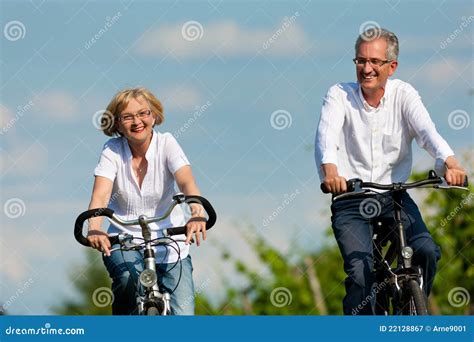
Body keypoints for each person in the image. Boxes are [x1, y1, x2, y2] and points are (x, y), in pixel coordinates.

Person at [315, 28, 466, 315]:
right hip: (350, 198)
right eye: (360, 61)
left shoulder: (404, 94)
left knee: (426, 251)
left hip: (393, 197)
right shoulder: (339, 95)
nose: (366, 69)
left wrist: (450, 163)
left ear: (391, 67)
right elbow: (328, 136)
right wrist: (331, 173)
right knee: (361, 277)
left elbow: (426, 132)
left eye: (374, 62)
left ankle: (410, 311)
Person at [86, 87, 207, 315]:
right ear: (117, 124)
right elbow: (101, 195)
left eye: (143, 113)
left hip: (171, 241)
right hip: (125, 240)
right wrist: (94, 228)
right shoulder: (112, 151)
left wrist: (197, 212)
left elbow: (186, 182)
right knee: (127, 279)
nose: (137, 121)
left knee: (183, 314)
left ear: (154, 116)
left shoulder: (167, 143)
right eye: (128, 117)